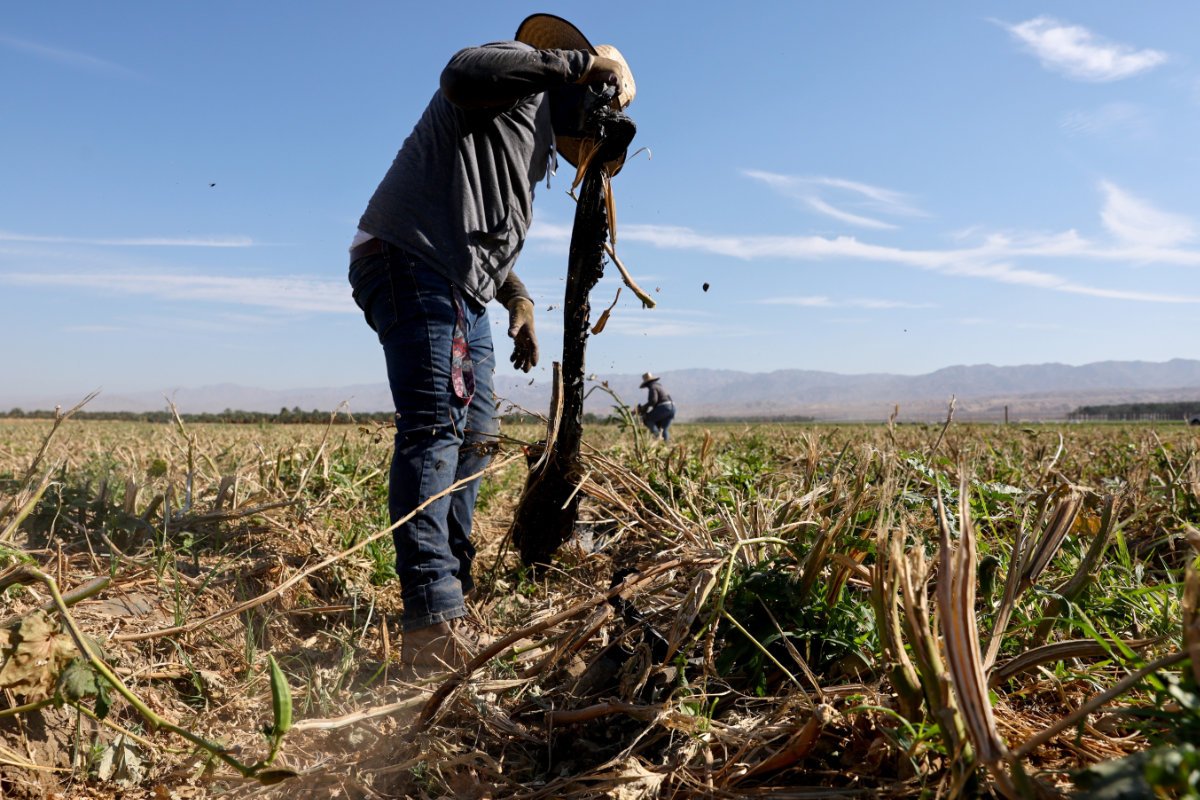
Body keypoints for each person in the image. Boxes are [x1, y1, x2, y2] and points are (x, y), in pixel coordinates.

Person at [347, 14, 635, 679]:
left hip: (458, 283)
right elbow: (459, 71)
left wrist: (519, 301)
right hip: (414, 263)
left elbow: (474, 223)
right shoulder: (515, 74)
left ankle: (455, 594)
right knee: (436, 432)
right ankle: (432, 619)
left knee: (476, 438)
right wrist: (579, 67)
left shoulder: (529, 144)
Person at [637, 372, 675, 441]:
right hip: (672, 408)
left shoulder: (652, 387)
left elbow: (653, 401)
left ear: (646, 383)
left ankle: (658, 438)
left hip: (664, 407)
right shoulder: (659, 386)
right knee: (663, 429)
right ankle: (666, 445)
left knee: (648, 419)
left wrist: (643, 408)